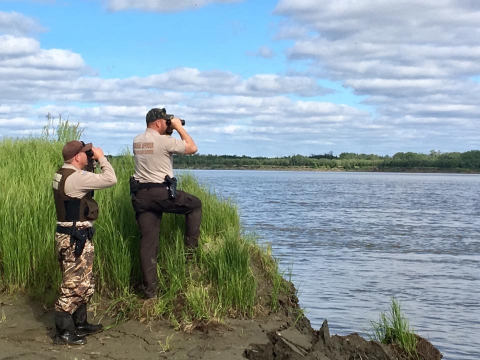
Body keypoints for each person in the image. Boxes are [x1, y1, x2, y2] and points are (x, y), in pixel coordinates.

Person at [131, 108, 202, 299]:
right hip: (160, 193)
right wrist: (178, 127)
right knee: (195, 205)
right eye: (165, 121)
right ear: (158, 123)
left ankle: (150, 293)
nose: (167, 123)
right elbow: (192, 148)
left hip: (141, 196)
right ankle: (191, 254)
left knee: (148, 243)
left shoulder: (137, 140)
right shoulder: (164, 141)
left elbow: (156, 149)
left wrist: (168, 129)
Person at [52, 140, 117, 345]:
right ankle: (63, 333)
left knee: (83, 281)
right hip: (74, 237)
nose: (89, 156)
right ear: (77, 157)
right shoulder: (77, 178)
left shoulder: (62, 173)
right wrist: (101, 158)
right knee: (73, 285)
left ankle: (80, 323)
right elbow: (110, 179)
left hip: (69, 235)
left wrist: (90, 162)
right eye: (86, 154)